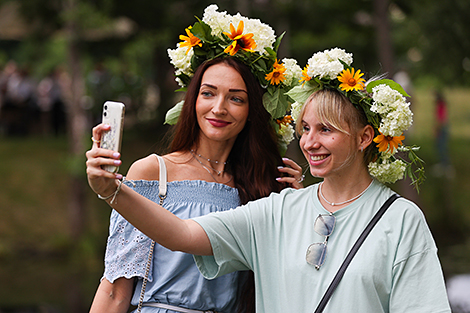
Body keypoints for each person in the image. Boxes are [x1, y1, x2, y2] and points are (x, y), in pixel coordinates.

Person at [87, 47, 451, 313]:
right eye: (305, 129)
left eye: (326, 129)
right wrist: (112, 190)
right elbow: (181, 236)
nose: (309, 141)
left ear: (364, 137)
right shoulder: (278, 210)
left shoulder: (399, 219)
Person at [86, 5, 304, 313]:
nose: (219, 108)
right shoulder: (153, 172)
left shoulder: (263, 186)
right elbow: (115, 290)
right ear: (193, 100)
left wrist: (296, 212)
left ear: (253, 110)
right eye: (208, 93)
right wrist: (108, 188)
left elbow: (287, 283)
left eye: (236, 98)